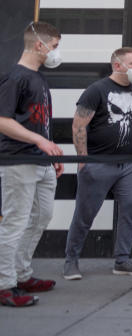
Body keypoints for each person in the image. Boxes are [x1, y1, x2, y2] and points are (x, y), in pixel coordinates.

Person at [63, 47, 132, 280]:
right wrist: (83, 159)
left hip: (130, 165)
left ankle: (122, 260)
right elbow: (79, 125)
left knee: (130, 209)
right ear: (117, 65)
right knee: (85, 213)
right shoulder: (97, 90)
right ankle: (71, 261)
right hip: (98, 163)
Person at [0, 21, 64, 308]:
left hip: (40, 162)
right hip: (18, 160)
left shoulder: (38, 79)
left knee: (41, 217)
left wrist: (49, 151)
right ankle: (4, 284)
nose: (55, 52)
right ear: (40, 45)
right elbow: (2, 121)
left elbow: (38, 123)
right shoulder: (15, 77)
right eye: (54, 46)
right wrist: (39, 143)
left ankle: (21, 273)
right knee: (14, 222)